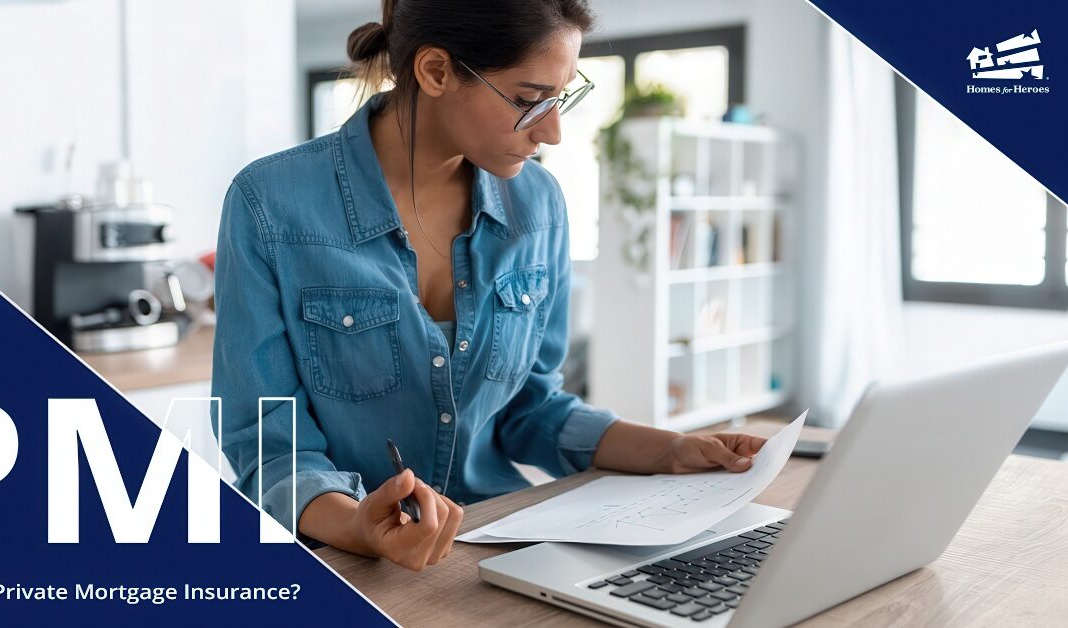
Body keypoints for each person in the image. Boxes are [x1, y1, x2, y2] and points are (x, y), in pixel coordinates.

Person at [211, 0, 767, 572]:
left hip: (496, 547)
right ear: (435, 72)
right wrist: (360, 526)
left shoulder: (539, 205)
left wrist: (670, 450)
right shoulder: (270, 204)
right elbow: (267, 442)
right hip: (343, 563)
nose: (551, 131)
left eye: (561, 97)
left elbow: (533, 408)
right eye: (528, 101)